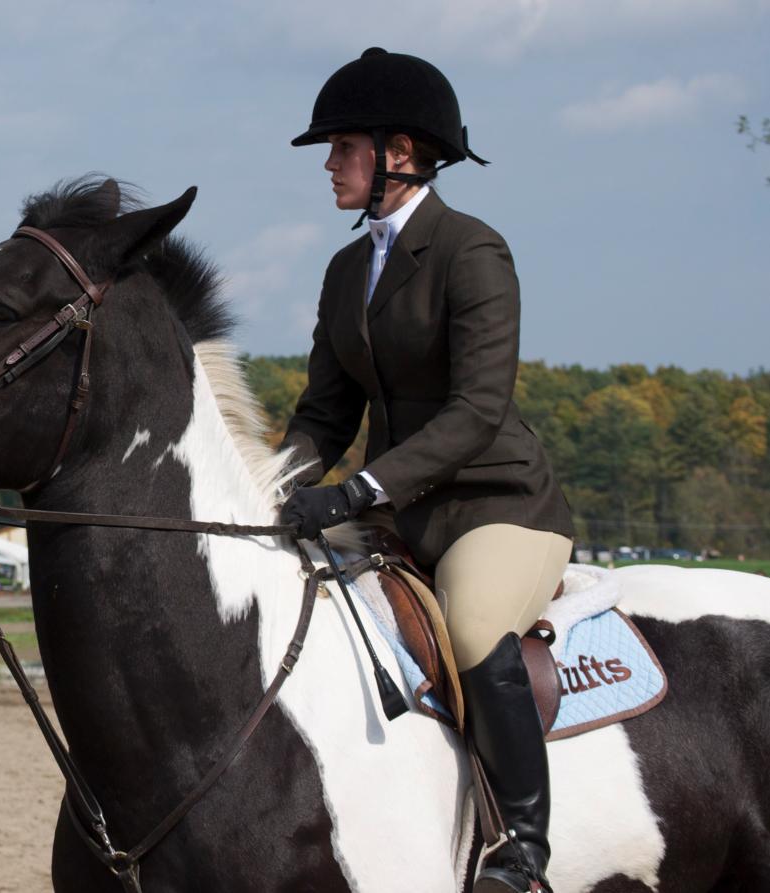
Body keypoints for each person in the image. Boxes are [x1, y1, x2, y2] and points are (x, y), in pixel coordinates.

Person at [279, 49, 576, 893]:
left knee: (476, 624)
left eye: (342, 147)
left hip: (496, 507)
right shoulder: (345, 270)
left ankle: (520, 846)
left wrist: (358, 489)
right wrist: (269, 486)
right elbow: (324, 415)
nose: (329, 164)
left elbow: (476, 409)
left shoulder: (473, 251)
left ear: (398, 153)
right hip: (395, 513)